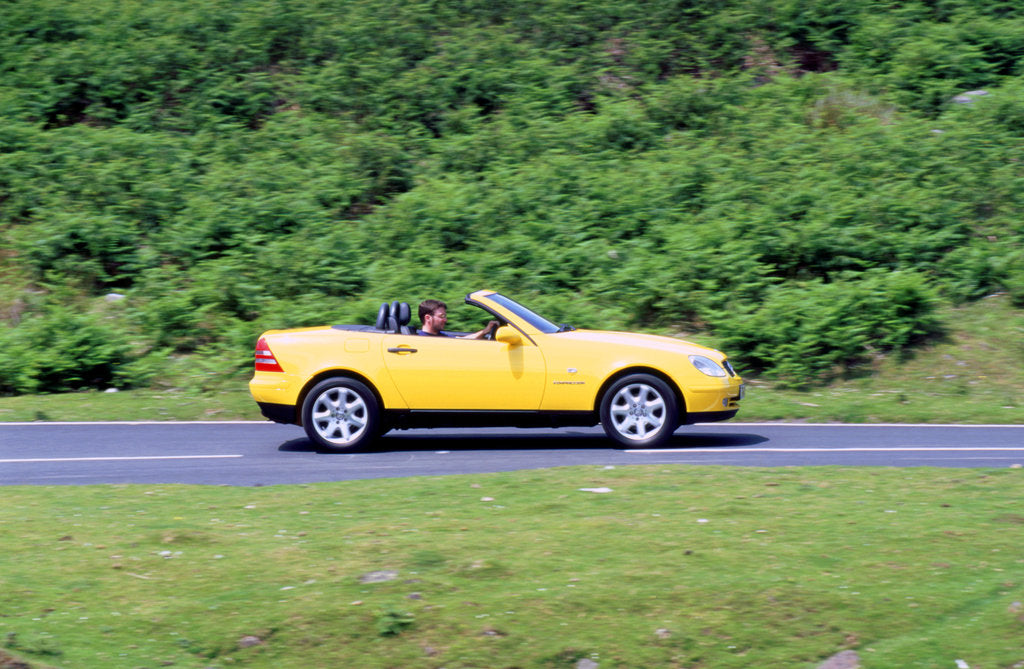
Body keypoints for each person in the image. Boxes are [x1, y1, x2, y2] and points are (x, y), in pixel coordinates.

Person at [418, 299, 499, 339]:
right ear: (428, 318)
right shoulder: (422, 340)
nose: (445, 320)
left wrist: (485, 331)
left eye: (445, 316)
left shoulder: (442, 336)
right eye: (441, 316)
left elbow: (463, 341)